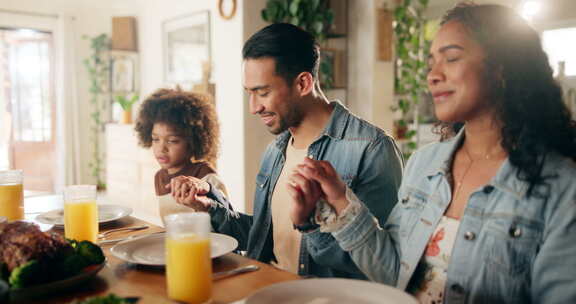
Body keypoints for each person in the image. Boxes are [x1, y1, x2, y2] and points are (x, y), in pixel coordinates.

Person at [288, 3, 576, 303]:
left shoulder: (561, 188)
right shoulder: (425, 163)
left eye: (451, 58)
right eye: (430, 64)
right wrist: (336, 200)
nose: (433, 76)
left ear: (502, 67)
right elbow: (394, 274)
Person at [169, 23, 403, 278]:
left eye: (263, 92)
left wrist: (309, 225)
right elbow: (265, 237)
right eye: (249, 93)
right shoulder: (276, 150)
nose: (253, 107)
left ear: (303, 83)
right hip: (265, 288)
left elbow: (381, 266)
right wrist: (208, 206)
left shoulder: (372, 150)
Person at [134, 88, 228, 220]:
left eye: (172, 141)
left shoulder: (207, 178)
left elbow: (227, 222)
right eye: (155, 139)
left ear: (193, 141)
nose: (161, 148)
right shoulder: (160, 177)